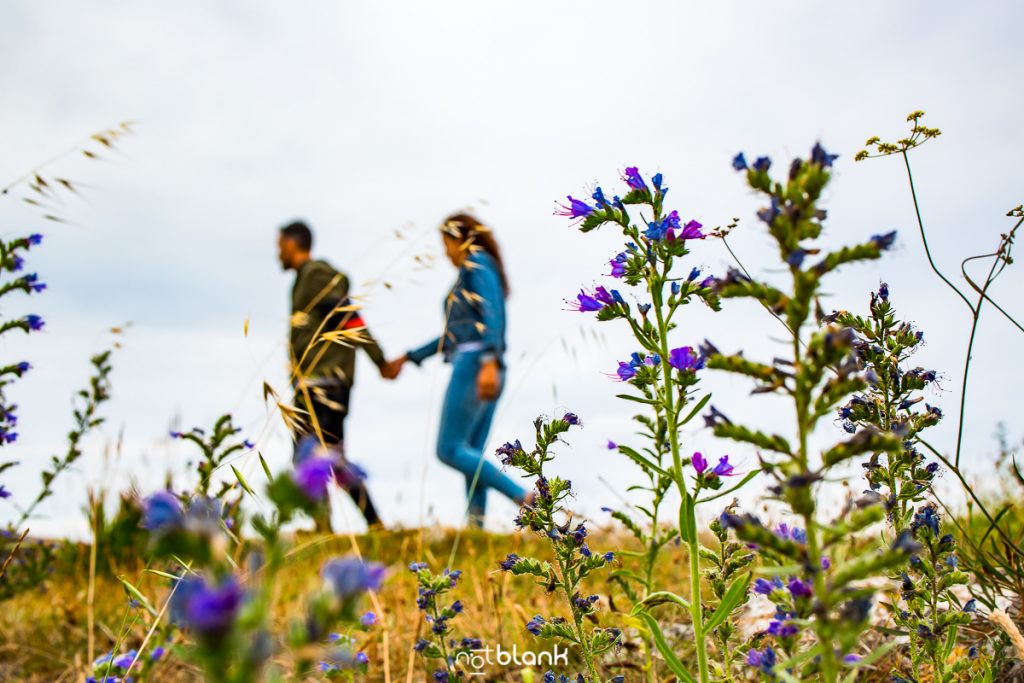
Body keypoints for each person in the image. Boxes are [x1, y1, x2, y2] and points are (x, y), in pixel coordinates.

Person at [387, 213, 528, 526]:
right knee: (471, 452)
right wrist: (411, 357)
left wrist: (489, 361)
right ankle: (475, 528)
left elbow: (492, 314)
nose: (445, 252)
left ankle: (525, 497)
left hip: (476, 364)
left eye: (445, 243)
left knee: (449, 449)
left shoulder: (476, 264)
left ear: (459, 239)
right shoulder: (475, 269)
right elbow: (454, 333)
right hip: (484, 362)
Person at [277, 220, 394, 530]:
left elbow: (346, 315)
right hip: (317, 381)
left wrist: (379, 359)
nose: (278, 254)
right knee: (331, 457)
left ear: (292, 243)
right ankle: (372, 522)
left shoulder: (315, 274)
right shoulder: (302, 279)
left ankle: (325, 526)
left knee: (310, 456)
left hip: (323, 381)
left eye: (280, 246)